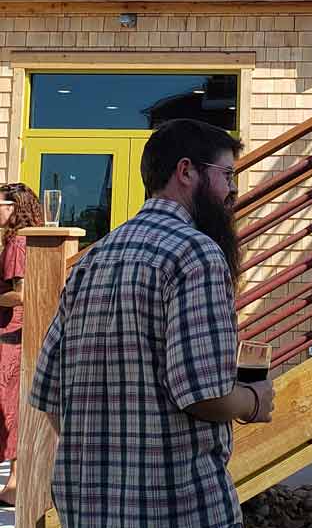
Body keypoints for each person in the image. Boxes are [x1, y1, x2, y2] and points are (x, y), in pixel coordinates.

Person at [30, 119, 275, 528]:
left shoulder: (95, 258)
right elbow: (202, 394)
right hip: (179, 507)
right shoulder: (196, 254)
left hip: (86, 508)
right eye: (228, 175)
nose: (233, 191)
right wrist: (254, 401)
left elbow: (49, 392)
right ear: (186, 171)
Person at [0, 183, 40, 508]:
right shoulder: (26, 240)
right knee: (13, 406)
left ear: (15, 207)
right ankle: (14, 483)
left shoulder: (17, 243)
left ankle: (14, 483)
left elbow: (21, 294)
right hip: (18, 335)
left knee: (7, 408)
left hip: (9, 336)